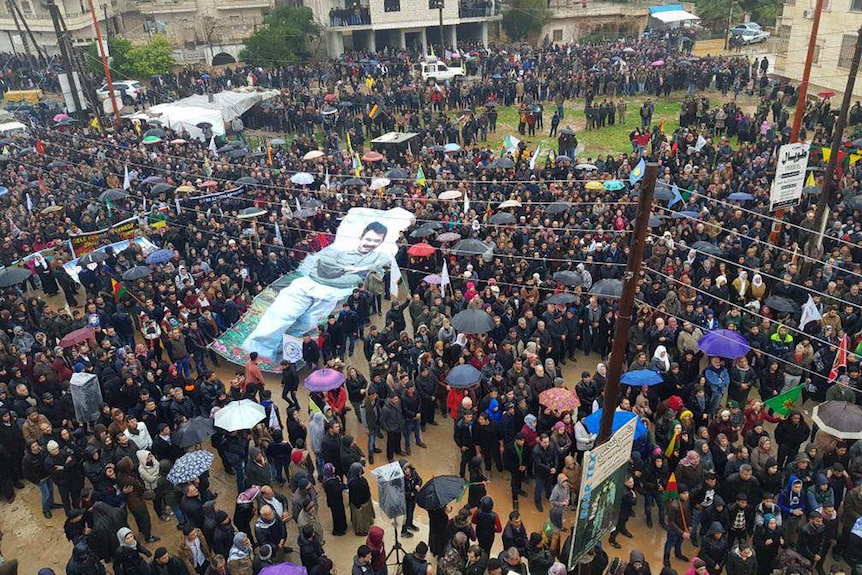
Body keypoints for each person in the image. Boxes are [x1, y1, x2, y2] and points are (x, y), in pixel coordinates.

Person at [244, 222, 392, 358]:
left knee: (305, 324)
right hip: (308, 285)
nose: (371, 244)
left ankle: (281, 349)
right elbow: (321, 268)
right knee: (282, 314)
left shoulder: (378, 257)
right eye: (369, 239)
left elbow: (369, 275)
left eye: (376, 241)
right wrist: (352, 273)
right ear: (362, 236)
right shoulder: (338, 249)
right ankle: (256, 349)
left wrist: (351, 273)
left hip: (331, 295)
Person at [664, 483, 692, 567]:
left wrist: (689, 525)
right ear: (679, 494)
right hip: (674, 531)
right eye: (684, 493)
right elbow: (671, 522)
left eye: (687, 492)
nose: (687, 495)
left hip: (683, 528)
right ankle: (666, 559)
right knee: (669, 545)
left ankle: (678, 554)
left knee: (679, 543)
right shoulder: (673, 506)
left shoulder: (687, 501)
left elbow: (688, 514)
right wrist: (682, 533)